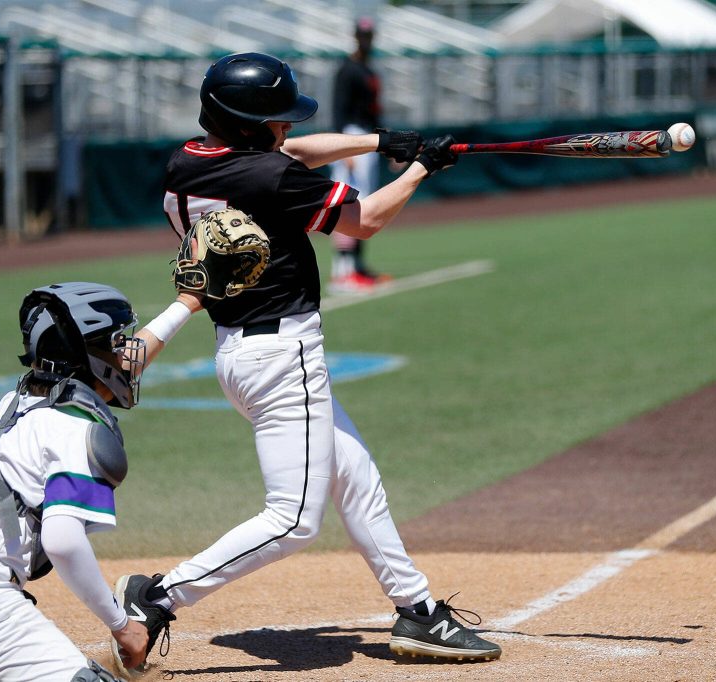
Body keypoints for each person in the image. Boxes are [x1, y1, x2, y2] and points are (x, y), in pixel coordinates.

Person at [111, 52, 500, 677]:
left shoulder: (190, 160)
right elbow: (365, 221)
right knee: (293, 520)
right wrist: (422, 167)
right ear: (249, 127)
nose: (287, 128)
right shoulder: (270, 180)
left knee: (356, 476)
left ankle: (417, 608)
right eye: (276, 120)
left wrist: (382, 141)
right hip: (282, 355)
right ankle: (158, 596)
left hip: (242, 354)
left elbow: (289, 155)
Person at [0, 281, 203, 681]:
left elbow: (106, 367)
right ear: (88, 355)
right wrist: (122, 625)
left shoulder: (12, 406)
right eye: (118, 341)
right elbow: (62, 542)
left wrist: (186, 305)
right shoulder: (76, 428)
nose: (126, 351)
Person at [328, 17, 390, 293]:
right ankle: (343, 271)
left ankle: (358, 267)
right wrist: (343, 146)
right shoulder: (348, 69)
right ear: (356, 37)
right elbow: (338, 110)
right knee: (347, 203)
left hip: (367, 137)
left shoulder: (368, 69)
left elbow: (374, 110)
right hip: (351, 136)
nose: (366, 40)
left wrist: (386, 143)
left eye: (369, 35)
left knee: (364, 204)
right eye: (363, 36)